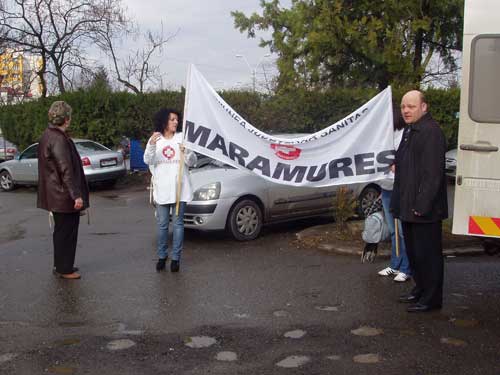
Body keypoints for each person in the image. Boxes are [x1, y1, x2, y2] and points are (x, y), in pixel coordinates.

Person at [391, 90, 448, 313]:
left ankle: (432, 298)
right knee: (415, 254)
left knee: (428, 255)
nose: (405, 110)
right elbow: (406, 162)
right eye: (404, 106)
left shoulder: (431, 132)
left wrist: (421, 207)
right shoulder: (410, 131)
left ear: (424, 107)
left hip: (424, 210)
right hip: (408, 207)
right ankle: (420, 289)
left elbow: (433, 175)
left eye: (411, 106)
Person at [37, 101, 89, 280]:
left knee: (61, 232)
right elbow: (65, 169)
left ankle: (61, 265)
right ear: (66, 119)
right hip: (63, 196)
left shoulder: (48, 135)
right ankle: (65, 269)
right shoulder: (58, 138)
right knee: (67, 232)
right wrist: (76, 195)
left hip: (56, 194)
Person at [144, 108, 196, 273]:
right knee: (162, 225)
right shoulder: (156, 139)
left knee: (179, 224)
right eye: (172, 119)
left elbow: (193, 161)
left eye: (176, 119)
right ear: (164, 121)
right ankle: (161, 256)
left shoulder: (182, 138)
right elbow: (148, 160)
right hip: (163, 189)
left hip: (180, 188)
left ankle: (176, 259)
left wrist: (186, 152)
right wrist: (152, 144)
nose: (176, 122)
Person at [377, 107, 412, 282]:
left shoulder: (404, 134)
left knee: (403, 231)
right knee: (393, 231)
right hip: (386, 189)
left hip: (401, 188)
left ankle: (406, 268)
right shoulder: (379, 136)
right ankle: (395, 264)